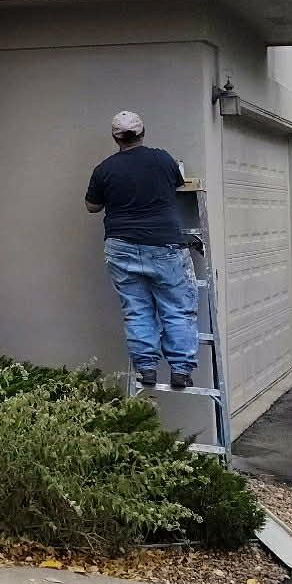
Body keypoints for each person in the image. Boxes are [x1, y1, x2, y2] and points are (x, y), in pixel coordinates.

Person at [84, 110, 199, 393]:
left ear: (115, 137)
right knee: (177, 310)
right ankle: (181, 371)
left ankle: (146, 368)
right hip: (163, 244)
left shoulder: (105, 169)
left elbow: (91, 206)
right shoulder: (162, 159)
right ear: (142, 132)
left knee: (136, 311)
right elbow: (179, 185)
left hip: (121, 246)